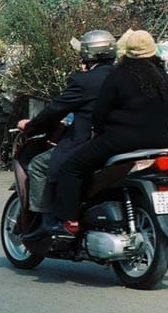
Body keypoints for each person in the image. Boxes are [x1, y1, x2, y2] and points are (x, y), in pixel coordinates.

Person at [29, 30, 168, 240]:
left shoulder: (118, 76)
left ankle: (68, 221)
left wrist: (98, 132)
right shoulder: (164, 78)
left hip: (119, 141)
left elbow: (100, 114)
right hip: (158, 142)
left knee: (71, 167)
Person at [16, 30, 117, 215]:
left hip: (88, 141)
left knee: (38, 165)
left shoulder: (84, 80)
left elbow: (55, 110)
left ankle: (43, 218)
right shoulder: (124, 76)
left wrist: (30, 127)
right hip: (119, 142)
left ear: (87, 53)